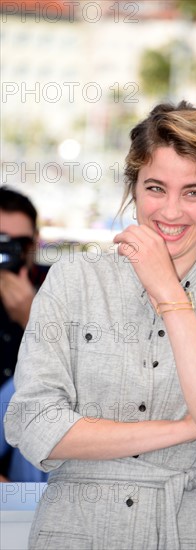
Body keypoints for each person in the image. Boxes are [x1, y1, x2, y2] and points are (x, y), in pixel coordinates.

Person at [5, 101, 196, 549]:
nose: (171, 211)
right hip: (73, 533)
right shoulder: (73, 281)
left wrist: (170, 295)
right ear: (133, 188)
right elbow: (33, 424)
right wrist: (186, 427)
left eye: (193, 192)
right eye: (156, 187)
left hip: (187, 532)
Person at [0, 186, 48, 482]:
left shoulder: (55, 285)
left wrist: (33, 317)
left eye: (17, 243)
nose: (7, 253)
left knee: (38, 393)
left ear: (34, 244)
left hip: (30, 443)